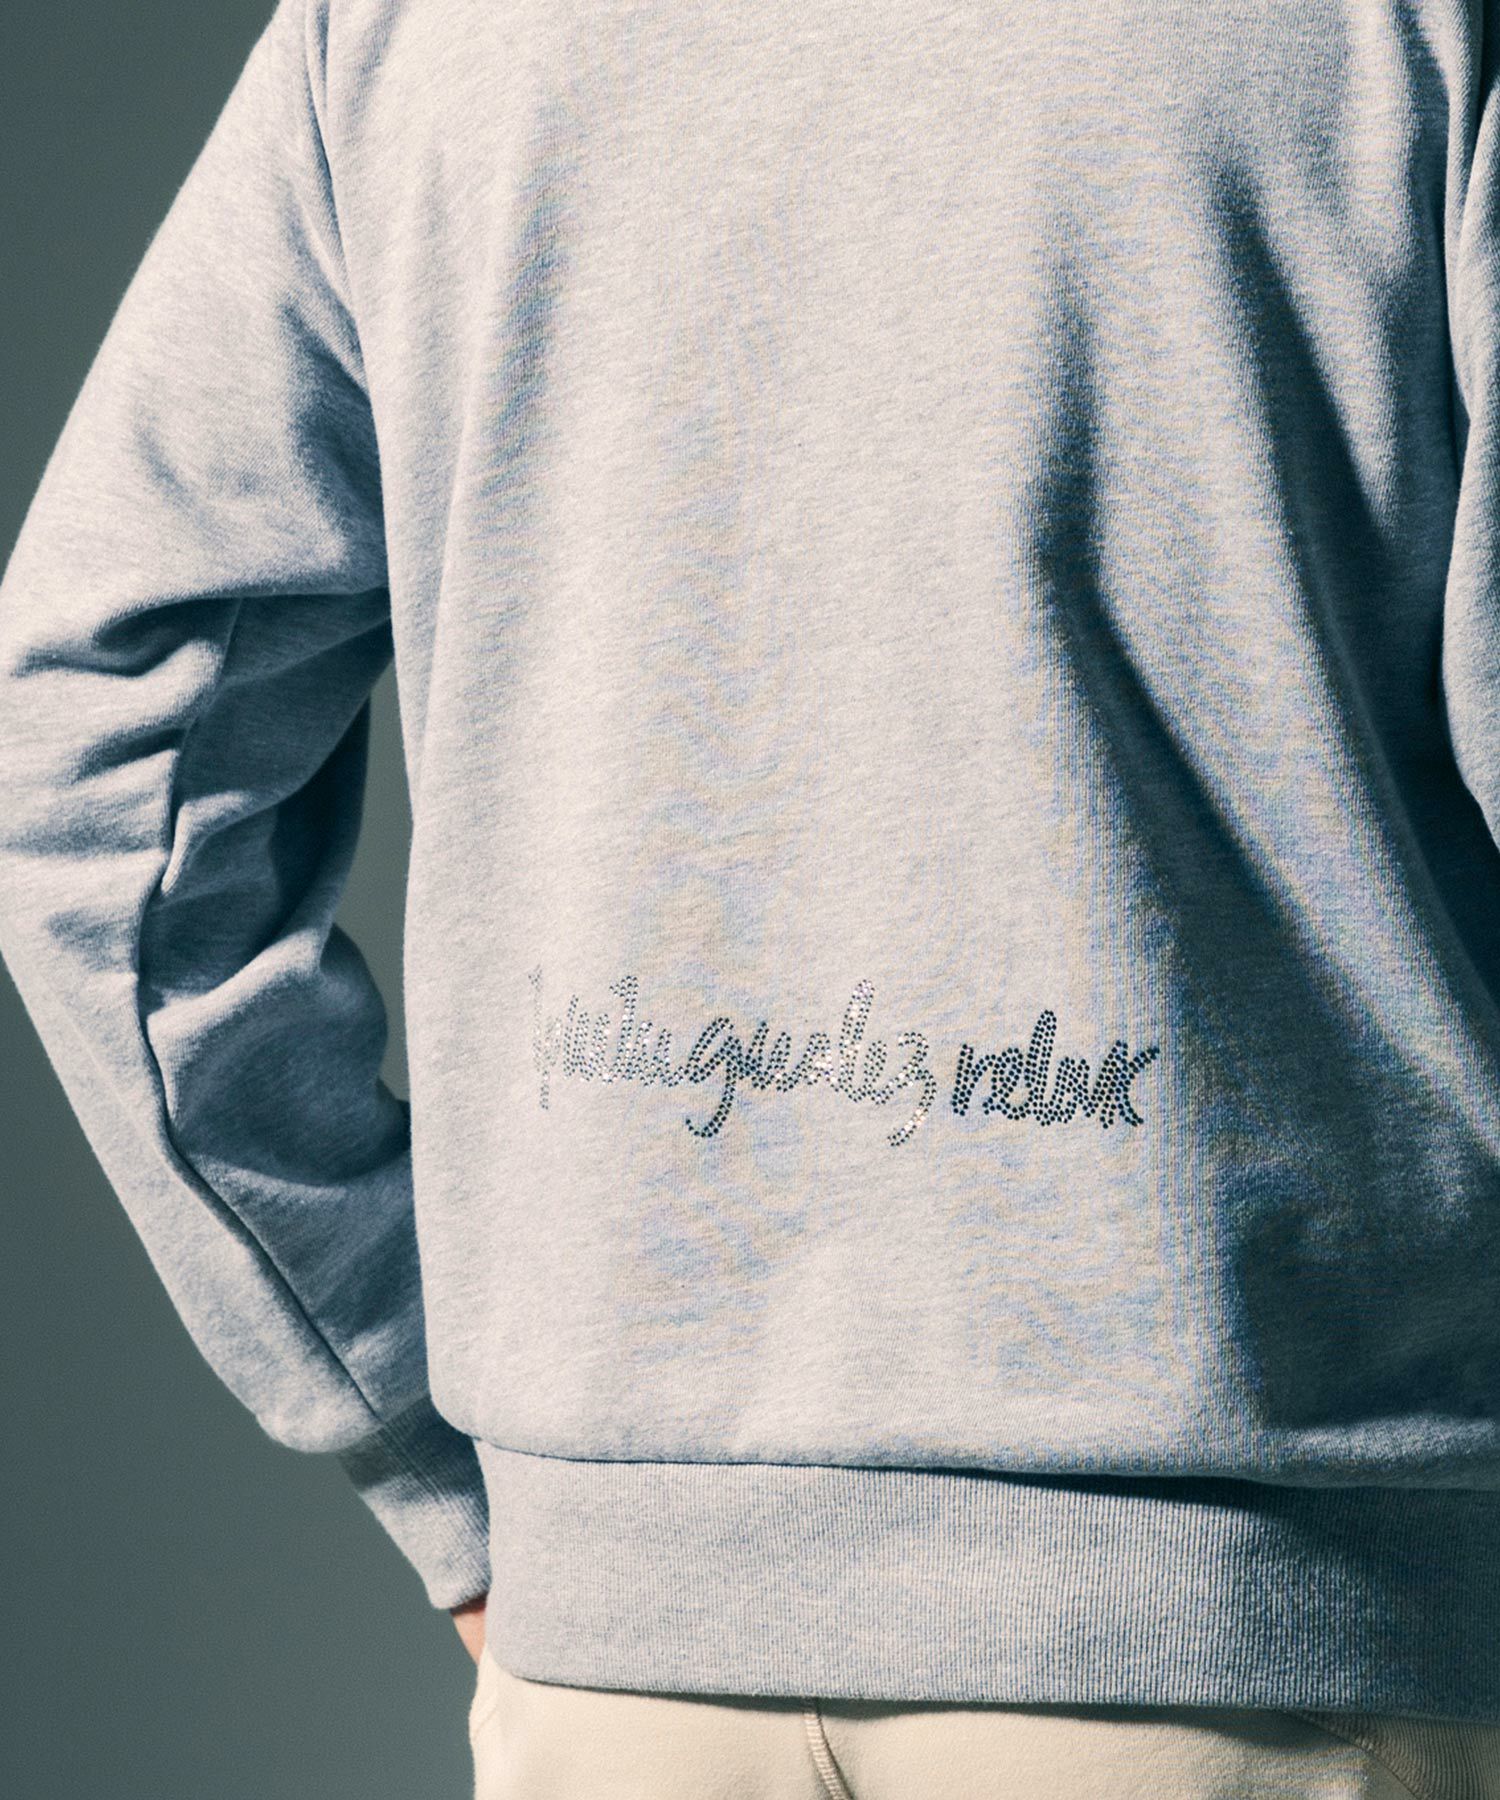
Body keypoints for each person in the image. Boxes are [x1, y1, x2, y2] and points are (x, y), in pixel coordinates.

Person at [4, 0, 1500, 1792]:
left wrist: (419, 1435)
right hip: (1269, 1638)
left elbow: (99, 755)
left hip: (618, 1676)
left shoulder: (405, 29)